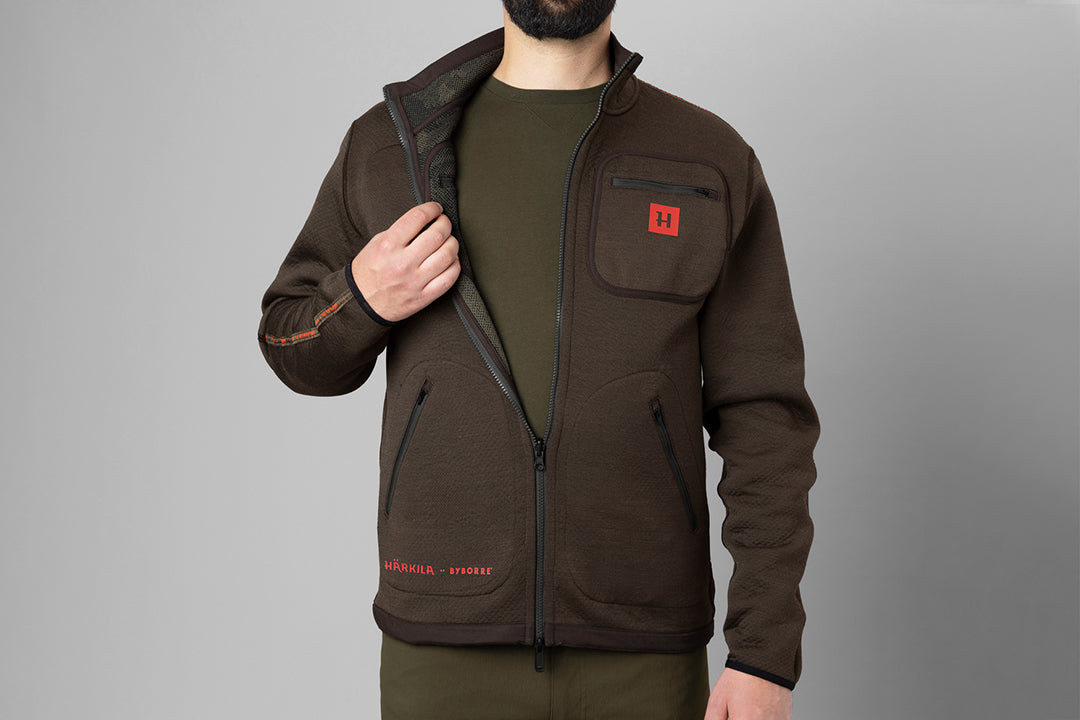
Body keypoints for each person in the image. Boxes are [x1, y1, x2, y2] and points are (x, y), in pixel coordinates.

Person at [256, 1, 821, 718]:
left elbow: (766, 420)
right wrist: (361, 299)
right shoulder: (393, 147)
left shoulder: (708, 157)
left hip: (644, 646)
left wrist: (763, 655)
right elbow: (291, 345)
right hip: (443, 643)